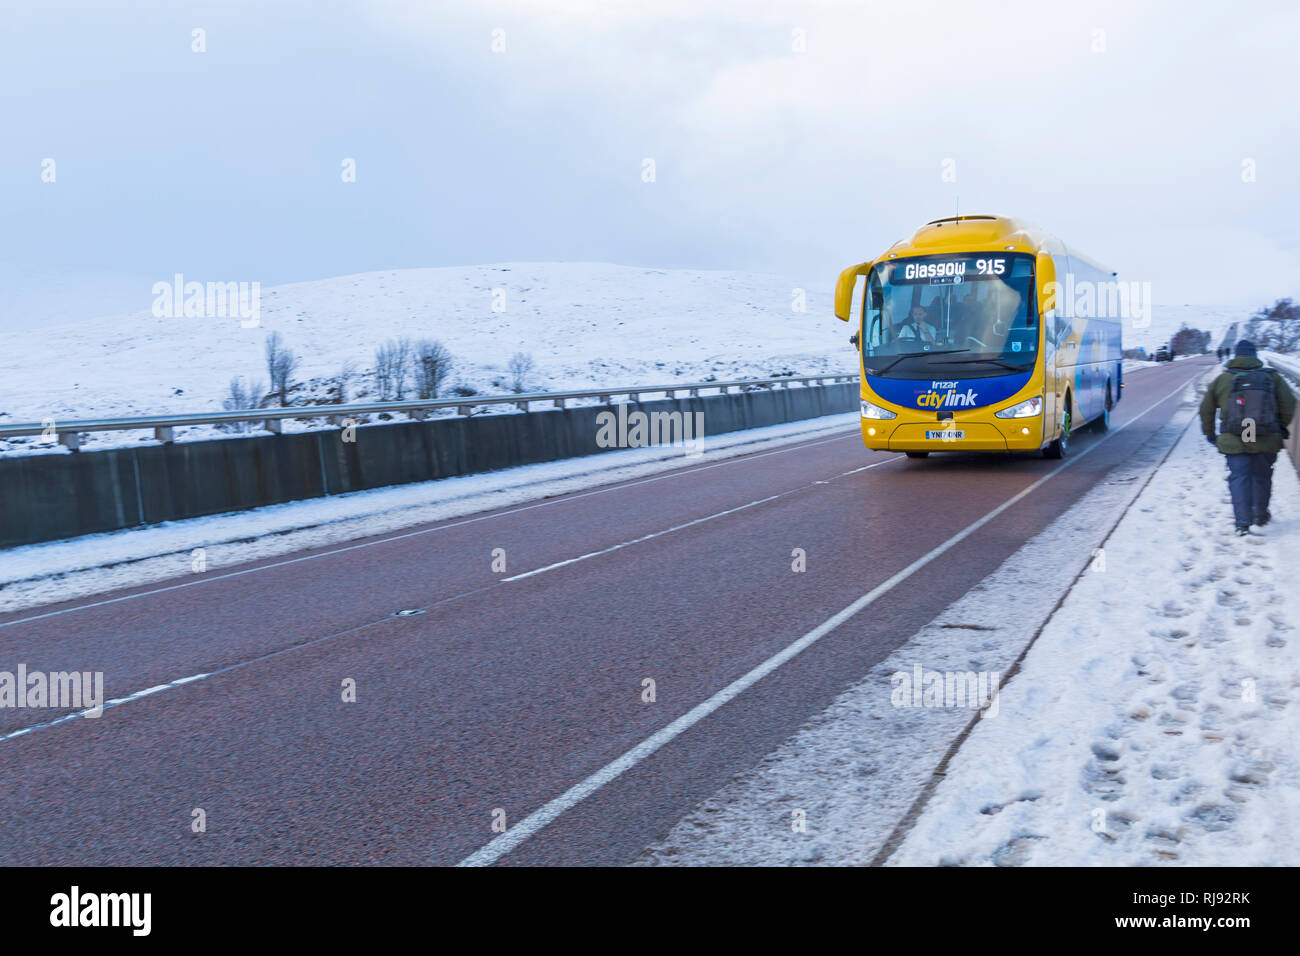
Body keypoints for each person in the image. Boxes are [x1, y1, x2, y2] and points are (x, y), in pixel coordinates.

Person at [1199, 340, 1296, 535]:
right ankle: (1260, 516)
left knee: (1239, 478)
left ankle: (1242, 523)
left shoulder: (1223, 379)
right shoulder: (1272, 378)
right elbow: (1289, 404)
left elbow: (1206, 409)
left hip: (1236, 438)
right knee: (1262, 476)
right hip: (1266, 436)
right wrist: (1281, 427)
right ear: (1255, 356)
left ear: (1236, 355)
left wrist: (1209, 432)